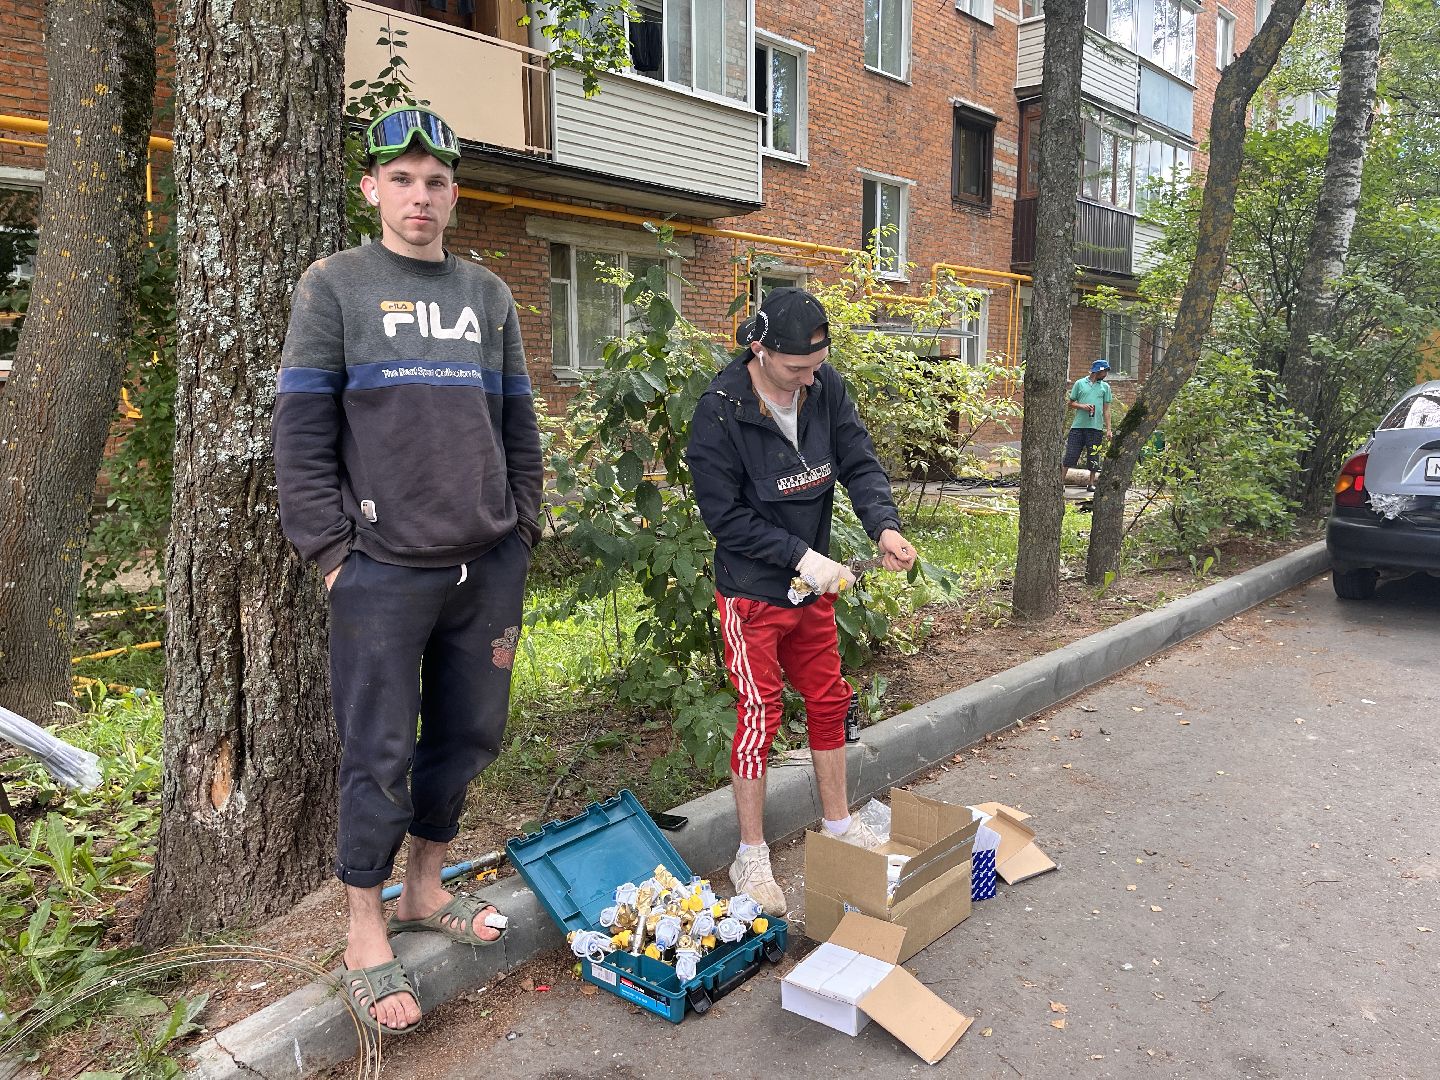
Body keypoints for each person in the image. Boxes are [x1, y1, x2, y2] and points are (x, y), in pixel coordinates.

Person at [272, 106, 543, 1036]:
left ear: (455, 193)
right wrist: (332, 556)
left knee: (469, 735)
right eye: (401, 179)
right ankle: (364, 923)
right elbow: (302, 433)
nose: (419, 196)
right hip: (381, 573)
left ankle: (426, 886)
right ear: (373, 189)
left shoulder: (488, 294)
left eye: (435, 181)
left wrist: (523, 530)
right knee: (378, 751)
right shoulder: (335, 288)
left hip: (487, 564)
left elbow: (518, 424)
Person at [685, 288, 917, 916]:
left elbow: (859, 462)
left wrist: (884, 526)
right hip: (753, 594)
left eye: (817, 367)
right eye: (796, 370)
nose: (809, 380)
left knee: (829, 696)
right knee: (759, 713)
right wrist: (799, 556)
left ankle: (840, 824)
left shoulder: (824, 387)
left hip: (810, 587)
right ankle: (751, 853)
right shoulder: (720, 411)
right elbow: (724, 517)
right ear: (758, 348)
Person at [1063, 359, 1114, 492]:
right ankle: (1060, 482)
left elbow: (1107, 409)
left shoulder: (1105, 387)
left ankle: (1091, 483)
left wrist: (1109, 429)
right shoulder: (1080, 384)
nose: (1106, 374)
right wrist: (1082, 406)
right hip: (1078, 427)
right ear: (1098, 371)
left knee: (1093, 456)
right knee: (1070, 455)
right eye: (1105, 371)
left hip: (1096, 428)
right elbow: (1071, 403)